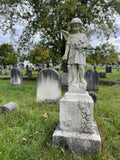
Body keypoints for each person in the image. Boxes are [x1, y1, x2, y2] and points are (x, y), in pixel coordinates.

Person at [62, 18, 89, 85]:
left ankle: (82, 78)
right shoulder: (70, 36)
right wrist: (65, 54)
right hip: (73, 52)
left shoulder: (83, 36)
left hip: (80, 52)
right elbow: (68, 45)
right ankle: (75, 78)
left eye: (77, 26)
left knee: (81, 66)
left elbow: (87, 44)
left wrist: (81, 46)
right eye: (73, 26)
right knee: (73, 66)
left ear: (80, 27)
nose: (75, 27)